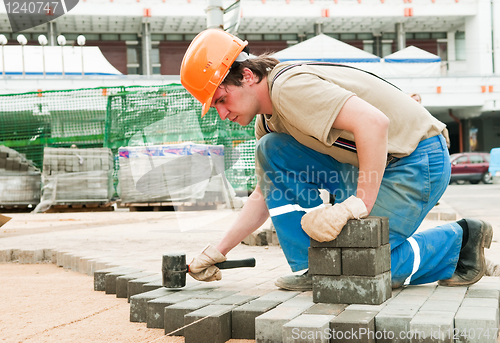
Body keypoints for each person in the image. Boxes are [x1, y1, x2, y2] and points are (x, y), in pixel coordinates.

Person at [181, 29, 493, 291]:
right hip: (376, 165)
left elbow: (374, 123)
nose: (222, 113)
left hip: (417, 160)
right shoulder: (269, 121)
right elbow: (264, 193)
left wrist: (359, 202)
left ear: (247, 76)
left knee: (355, 267)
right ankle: (313, 268)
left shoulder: (289, 88)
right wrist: (218, 251)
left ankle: (460, 243)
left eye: (221, 99)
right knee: (271, 151)